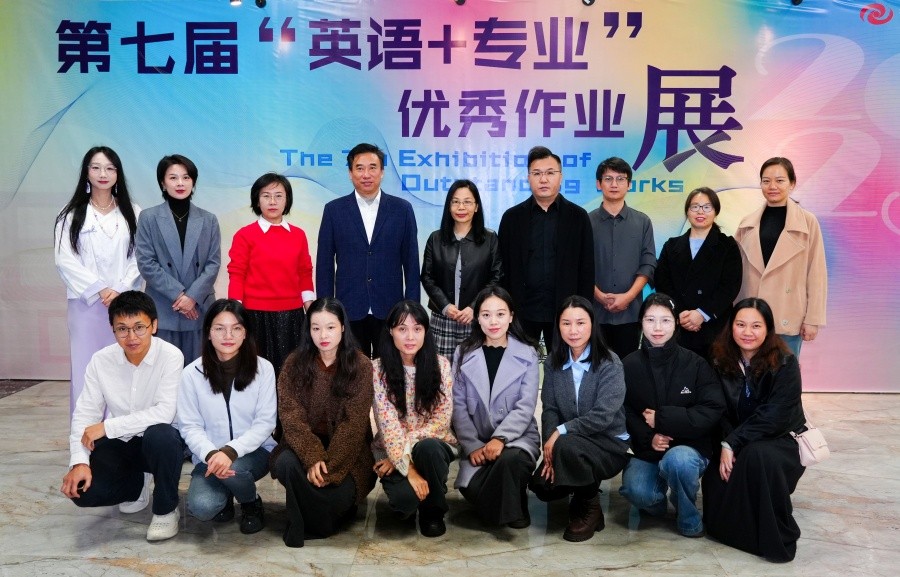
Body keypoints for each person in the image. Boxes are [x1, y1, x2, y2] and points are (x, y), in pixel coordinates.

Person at [60, 291, 184, 542]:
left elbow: (164, 412)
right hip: (124, 442)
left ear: (154, 325)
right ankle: (136, 487)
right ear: (113, 330)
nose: (132, 337)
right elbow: (85, 414)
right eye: (122, 329)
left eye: (139, 327)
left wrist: (107, 426)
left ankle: (166, 508)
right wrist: (79, 462)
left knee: (161, 434)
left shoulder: (171, 356)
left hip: (161, 444)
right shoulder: (101, 360)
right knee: (84, 492)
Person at [702, 297, 807, 562]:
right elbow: (716, 408)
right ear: (731, 327)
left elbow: (776, 416)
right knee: (716, 481)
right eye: (741, 324)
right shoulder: (717, 360)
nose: (747, 332)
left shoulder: (785, 363)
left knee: (757, 456)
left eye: (756, 326)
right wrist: (727, 441)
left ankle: (769, 537)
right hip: (733, 439)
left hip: (780, 439)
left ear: (768, 329)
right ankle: (736, 535)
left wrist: (732, 443)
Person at [271, 298, 376, 548]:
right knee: (286, 464)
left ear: (343, 327)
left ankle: (309, 512)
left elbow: (353, 425)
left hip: (349, 452)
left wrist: (329, 468)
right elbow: (291, 416)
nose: (323, 335)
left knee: (338, 495)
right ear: (308, 330)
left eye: (330, 327)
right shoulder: (294, 363)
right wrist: (312, 456)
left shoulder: (361, 365)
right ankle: (324, 515)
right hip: (302, 445)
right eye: (316, 328)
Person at [619, 293, 724, 538]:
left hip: (688, 447)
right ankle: (656, 505)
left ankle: (687, 516)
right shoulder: (628, 365)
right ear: (641, 323)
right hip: (648, 448)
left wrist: (662, 419)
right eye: (650, 320)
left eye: (665, 320)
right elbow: (623, 410)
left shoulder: (696, 364)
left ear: (676, 323)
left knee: (679, 462)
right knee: (637, 492)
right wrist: (649, 438)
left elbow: (711, 408)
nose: (657, 328)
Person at [529, 295, 630, 542]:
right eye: (566, 323)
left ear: (592, 325)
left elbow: (603, 416)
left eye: (580, 323)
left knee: (568, 446)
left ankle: (590, 508)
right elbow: (550, 409)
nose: (573, 330)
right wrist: (549, 446)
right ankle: (580, 490)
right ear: (558, 326)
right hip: (570, 443)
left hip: (608, 444)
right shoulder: (553, 363)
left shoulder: (610, 363)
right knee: (542, 488)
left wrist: (560, 433)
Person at [54, 146, 142, 414]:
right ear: (86, 172)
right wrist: (100, 289)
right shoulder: (70, 214)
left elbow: (140, 257)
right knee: (86, 370)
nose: (103, 174)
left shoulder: (133, 212)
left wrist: (120, 290)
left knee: (123, 369)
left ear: (118, 173)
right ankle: (85, 432)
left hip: (124, 305)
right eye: (96, 167)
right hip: (86, 305)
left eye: (110, 168)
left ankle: (121, 433)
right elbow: (64, 259)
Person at [177, 299, 276, 535]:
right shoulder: (191, 374)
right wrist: (212, 454)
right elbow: (189, 426)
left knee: (236, 469)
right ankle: (227, 494)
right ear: (208, 333)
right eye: (219, 328)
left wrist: (230, 452)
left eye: (236, 328)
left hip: (254, 452)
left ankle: (250, 503)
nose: (228, 336)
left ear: (245, 333)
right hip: (209, 456)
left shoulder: (264, 369)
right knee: (202, 507)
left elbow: (265, 423)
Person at [316, 143, 420, 358]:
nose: (366, 174)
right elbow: (324, 264)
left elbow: (411, 263)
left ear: (382, 172)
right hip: (348, 309)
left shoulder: (402, 209)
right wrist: (325, 311)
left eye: (372, 167)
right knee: (351, 371)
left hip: (391, 310)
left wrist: (411, 309)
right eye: (359, 168)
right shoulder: (334, 210)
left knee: (391, 370)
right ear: (350, 173)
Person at [451, 286, 540, 528]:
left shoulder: (529, 353)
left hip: (516, 439)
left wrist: (500, 439)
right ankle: (512, 502)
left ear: (511, 316)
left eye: (500, 314)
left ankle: (508, 505)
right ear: (477, 318)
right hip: (477, 441)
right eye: (486, 314)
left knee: (510, 461)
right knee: (471, 490)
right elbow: (458, 406)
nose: (493, 322)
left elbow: (525, 406)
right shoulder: (463, 352)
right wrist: (472, 446)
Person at [371, 300, 458, 537]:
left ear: (425, 332)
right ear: (391, 331)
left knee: (428, 448)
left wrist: (402, 454)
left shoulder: (441, 365)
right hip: (390, 448)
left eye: (417, 329)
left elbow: (441, 421)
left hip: (433, 444)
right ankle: (418, 494)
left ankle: (433, 512)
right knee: (405, 503)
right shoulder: (377, 370)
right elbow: (387, 424)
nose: (410, 336)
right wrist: (408, 468)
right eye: (402, 329)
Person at [498, 146, 594, 349]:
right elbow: (503, 269)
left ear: (561, 177)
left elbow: (586, 270)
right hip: (522, 311)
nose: (543, 179)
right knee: (519, 364)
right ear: (528, 178)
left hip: (565, 312)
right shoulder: (512, 218)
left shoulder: (578, 217)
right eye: (537, 173)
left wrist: (581, 313)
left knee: (564, 365)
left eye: (550, 173)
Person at [734, 157, 827, 357]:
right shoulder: (746, 224)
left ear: (792, 184)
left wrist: (813, 319)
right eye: (766, 181)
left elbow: (816, 273)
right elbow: (733, 271)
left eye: (780, 180)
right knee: (750, 371)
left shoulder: (807, 222)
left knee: (785, 371)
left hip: (788, 313)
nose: (772, 186)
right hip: (751, 316)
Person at [227, 172, 315, 376]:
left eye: (278, 196)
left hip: (292, 315)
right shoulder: (245, 235)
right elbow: (237, 274)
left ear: (287, 200)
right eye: (266, 196)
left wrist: (311, 310)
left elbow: (305, 273)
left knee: (292, 372)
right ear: (257, 200)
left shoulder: (298, 235)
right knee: (257, 372)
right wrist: (235, 311)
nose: (272, 202)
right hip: (255, 315)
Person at [136, 154, 221, 364]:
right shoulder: (148, 217)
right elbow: (146, 262)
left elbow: (213, 263)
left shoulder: (209, 219)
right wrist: (179, 296)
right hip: (164, 306)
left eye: (186, 177)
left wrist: (192, 297)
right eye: (173, 178)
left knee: (199, 372)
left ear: (193, 182)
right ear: (163, 183)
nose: (180, 183)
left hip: (198, 308)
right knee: (164, 371)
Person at [654, 187, 742, 358]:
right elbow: (662, 282)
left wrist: (702, 314)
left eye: (707, 207)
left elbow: (730, 286)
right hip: (680, 324)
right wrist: (680, 312)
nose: (700, 212)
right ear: (687, 211)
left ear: (716, 211)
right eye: (695, 207)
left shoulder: (727, 245)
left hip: (714, 327)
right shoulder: (671, 246)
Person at [421, 179, 502, 358]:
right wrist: (445, 306)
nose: (461, 207)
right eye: (455, 202)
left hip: (476, 317)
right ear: (449, 206)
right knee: (441, 369)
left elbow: (496, 277)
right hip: (443, 317)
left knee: (475, 369)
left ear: (476, 207)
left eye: (467, 202)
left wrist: (474, 307)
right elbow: (427, 277)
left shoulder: (490, 239)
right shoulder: (435, 239)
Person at [589, 156, 657, 360]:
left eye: (620, 179)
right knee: (595, 368)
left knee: (628, 367)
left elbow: (648, 263)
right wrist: (598, 295)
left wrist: (628, 297)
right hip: (594, 312)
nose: (614, 184)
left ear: (629, 184)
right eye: (608, 179)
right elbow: (580, 265)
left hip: (631, 313)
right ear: (599, 184)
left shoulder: (642, 221)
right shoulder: (586, 221)